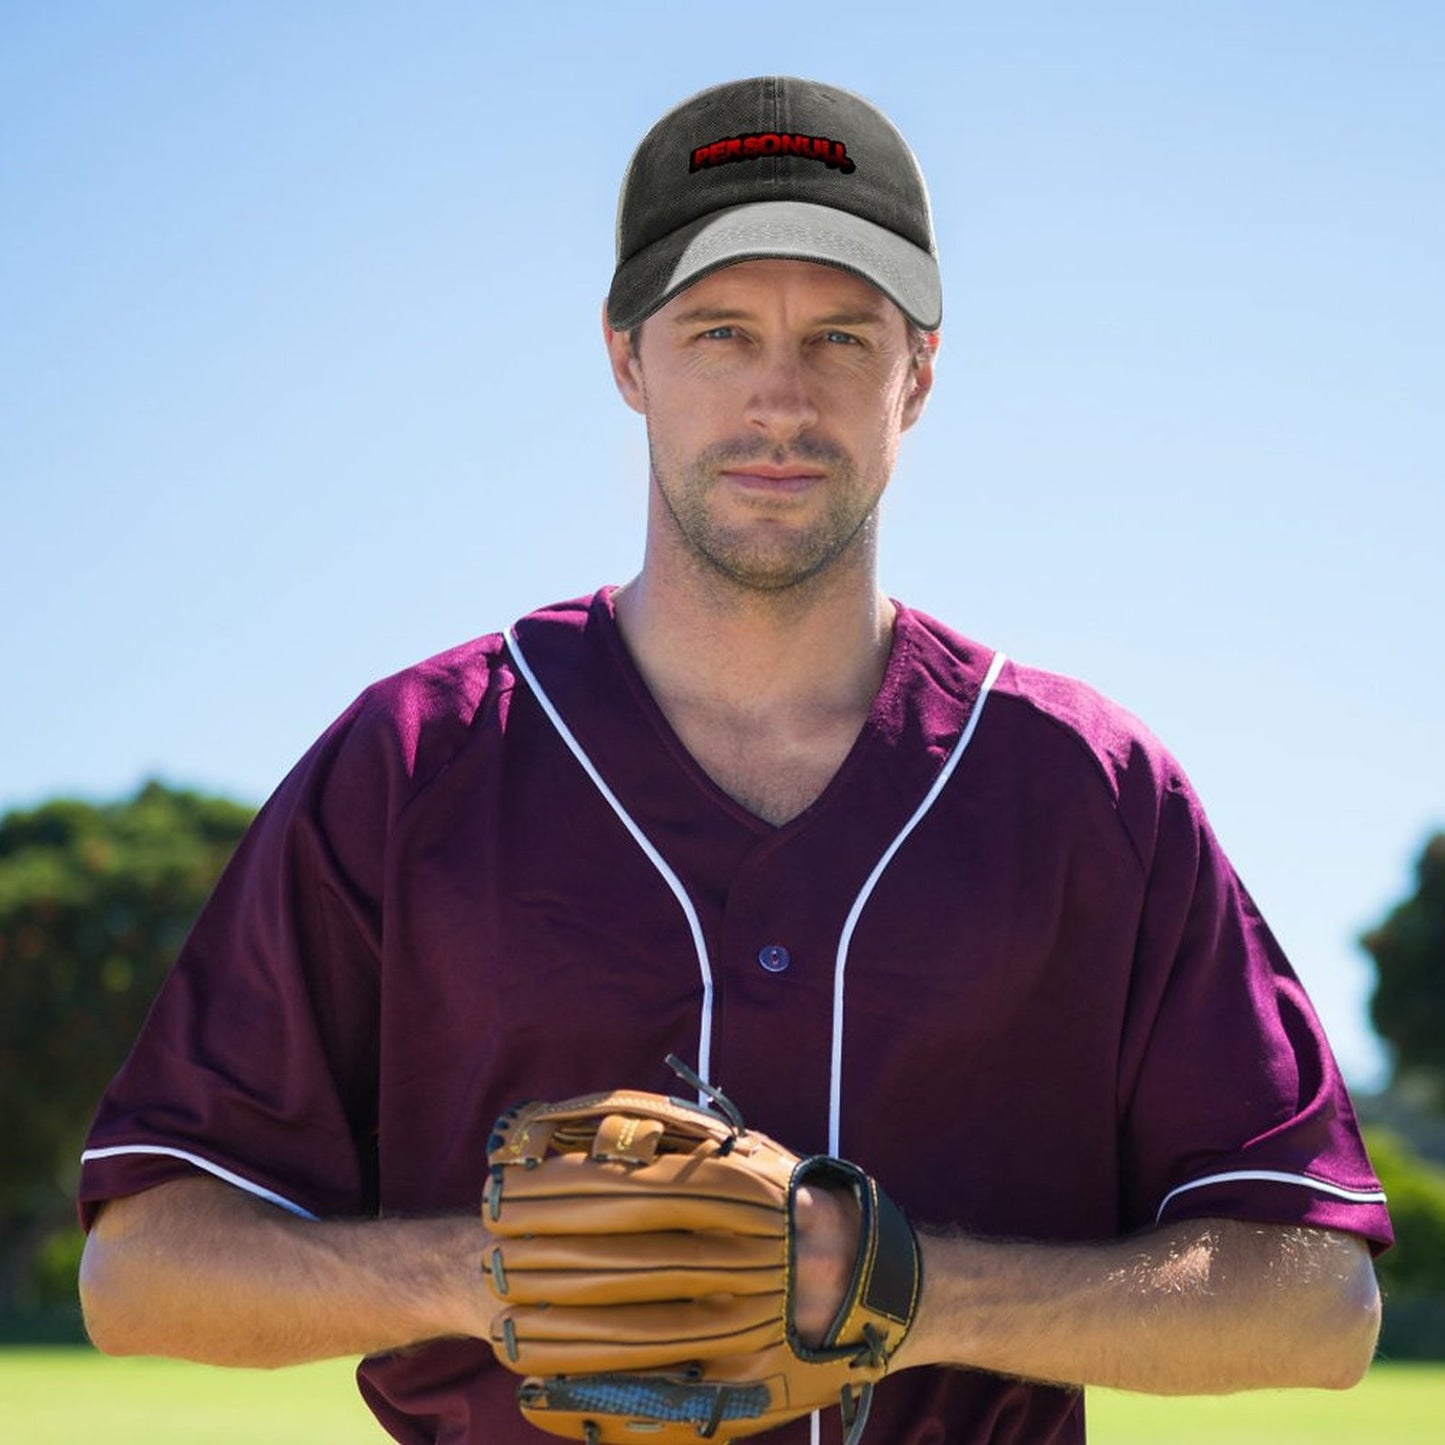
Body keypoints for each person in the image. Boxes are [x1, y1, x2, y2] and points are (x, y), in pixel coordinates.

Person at [77, 76, 1391, 1444]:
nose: (780, 393)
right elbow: (143, 1266)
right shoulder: (414, 762)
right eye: (718, 331)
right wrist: (501, 1273)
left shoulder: (1086, 789)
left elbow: (1313, 1297)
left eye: (838, 334)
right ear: (627, 358)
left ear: (917, 374)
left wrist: (903, 1289)